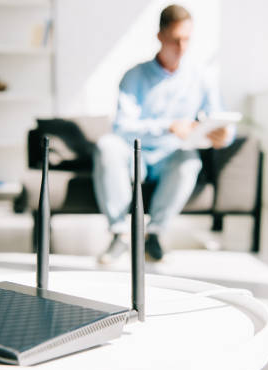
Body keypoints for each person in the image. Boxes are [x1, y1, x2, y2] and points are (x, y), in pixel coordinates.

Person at [93, 4, 233, 264]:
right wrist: (168, 126)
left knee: (189, 159)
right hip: (135, 156)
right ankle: (120, 234)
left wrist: (224, 136)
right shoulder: (134, 76)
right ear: (160, 36)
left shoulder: (201, 78)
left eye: (187, 40)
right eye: (175, 40)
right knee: (107, 145)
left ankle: (154, 234)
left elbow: (221, 118)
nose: (181, 47)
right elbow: (122, 127)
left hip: (172, 157)